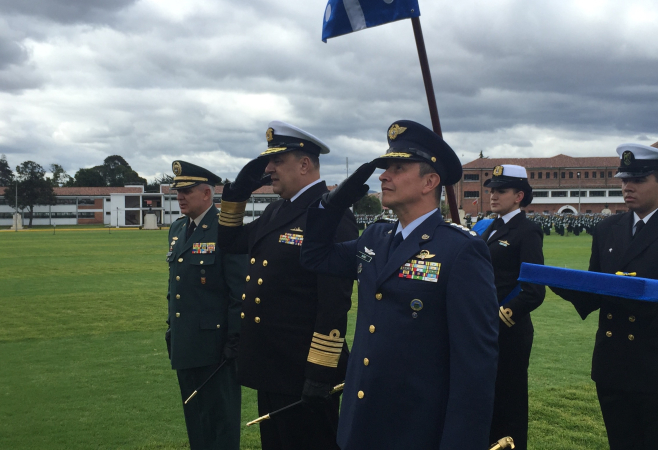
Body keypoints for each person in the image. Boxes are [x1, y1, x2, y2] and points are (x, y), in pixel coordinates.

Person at [300, 120, 500, 450]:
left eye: (397, 167)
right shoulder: (375, 237)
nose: (383, 176)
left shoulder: (460, 250)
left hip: (413, 428)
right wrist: (334, 203)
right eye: (384, 167)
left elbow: (475, 368)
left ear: (430, 181)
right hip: (361, 422)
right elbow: (314, 257)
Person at [550, 143, 658, 450]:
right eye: (624, 180)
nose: (627, 187)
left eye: (638, 180)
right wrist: (563, 284)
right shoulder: (608, 228)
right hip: (613, 367)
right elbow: (596, 293)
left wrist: (646, 301)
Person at [218, 121, 357, 450]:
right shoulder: (277, 210)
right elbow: (231, 241)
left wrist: (321, 372)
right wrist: (236, 197)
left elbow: (334, 304)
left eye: (277, 161)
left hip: (304, 371)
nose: (268, 169)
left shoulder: (330, 213)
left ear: (305, 164)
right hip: (272, 366)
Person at [165, 161, 245, 450]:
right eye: (178, 191)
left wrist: (234, 339)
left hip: (216, 349)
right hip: (186, 344)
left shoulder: (226, 230)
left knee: (220, 424)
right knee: (196, 421)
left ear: (207, 194)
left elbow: (239, 291)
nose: (180, 196)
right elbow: (176, 286)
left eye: (187, 190)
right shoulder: (177, 229)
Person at [481, 165, 545, 450]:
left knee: (509, 402)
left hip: (508, 331)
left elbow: (534, 290)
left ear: (519, 195)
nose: (493, 195)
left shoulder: (527, 231)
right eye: (492, 190)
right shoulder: (488, 227)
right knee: (486, 399)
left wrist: (498, 318)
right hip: (482, 328)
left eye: (501, 190)